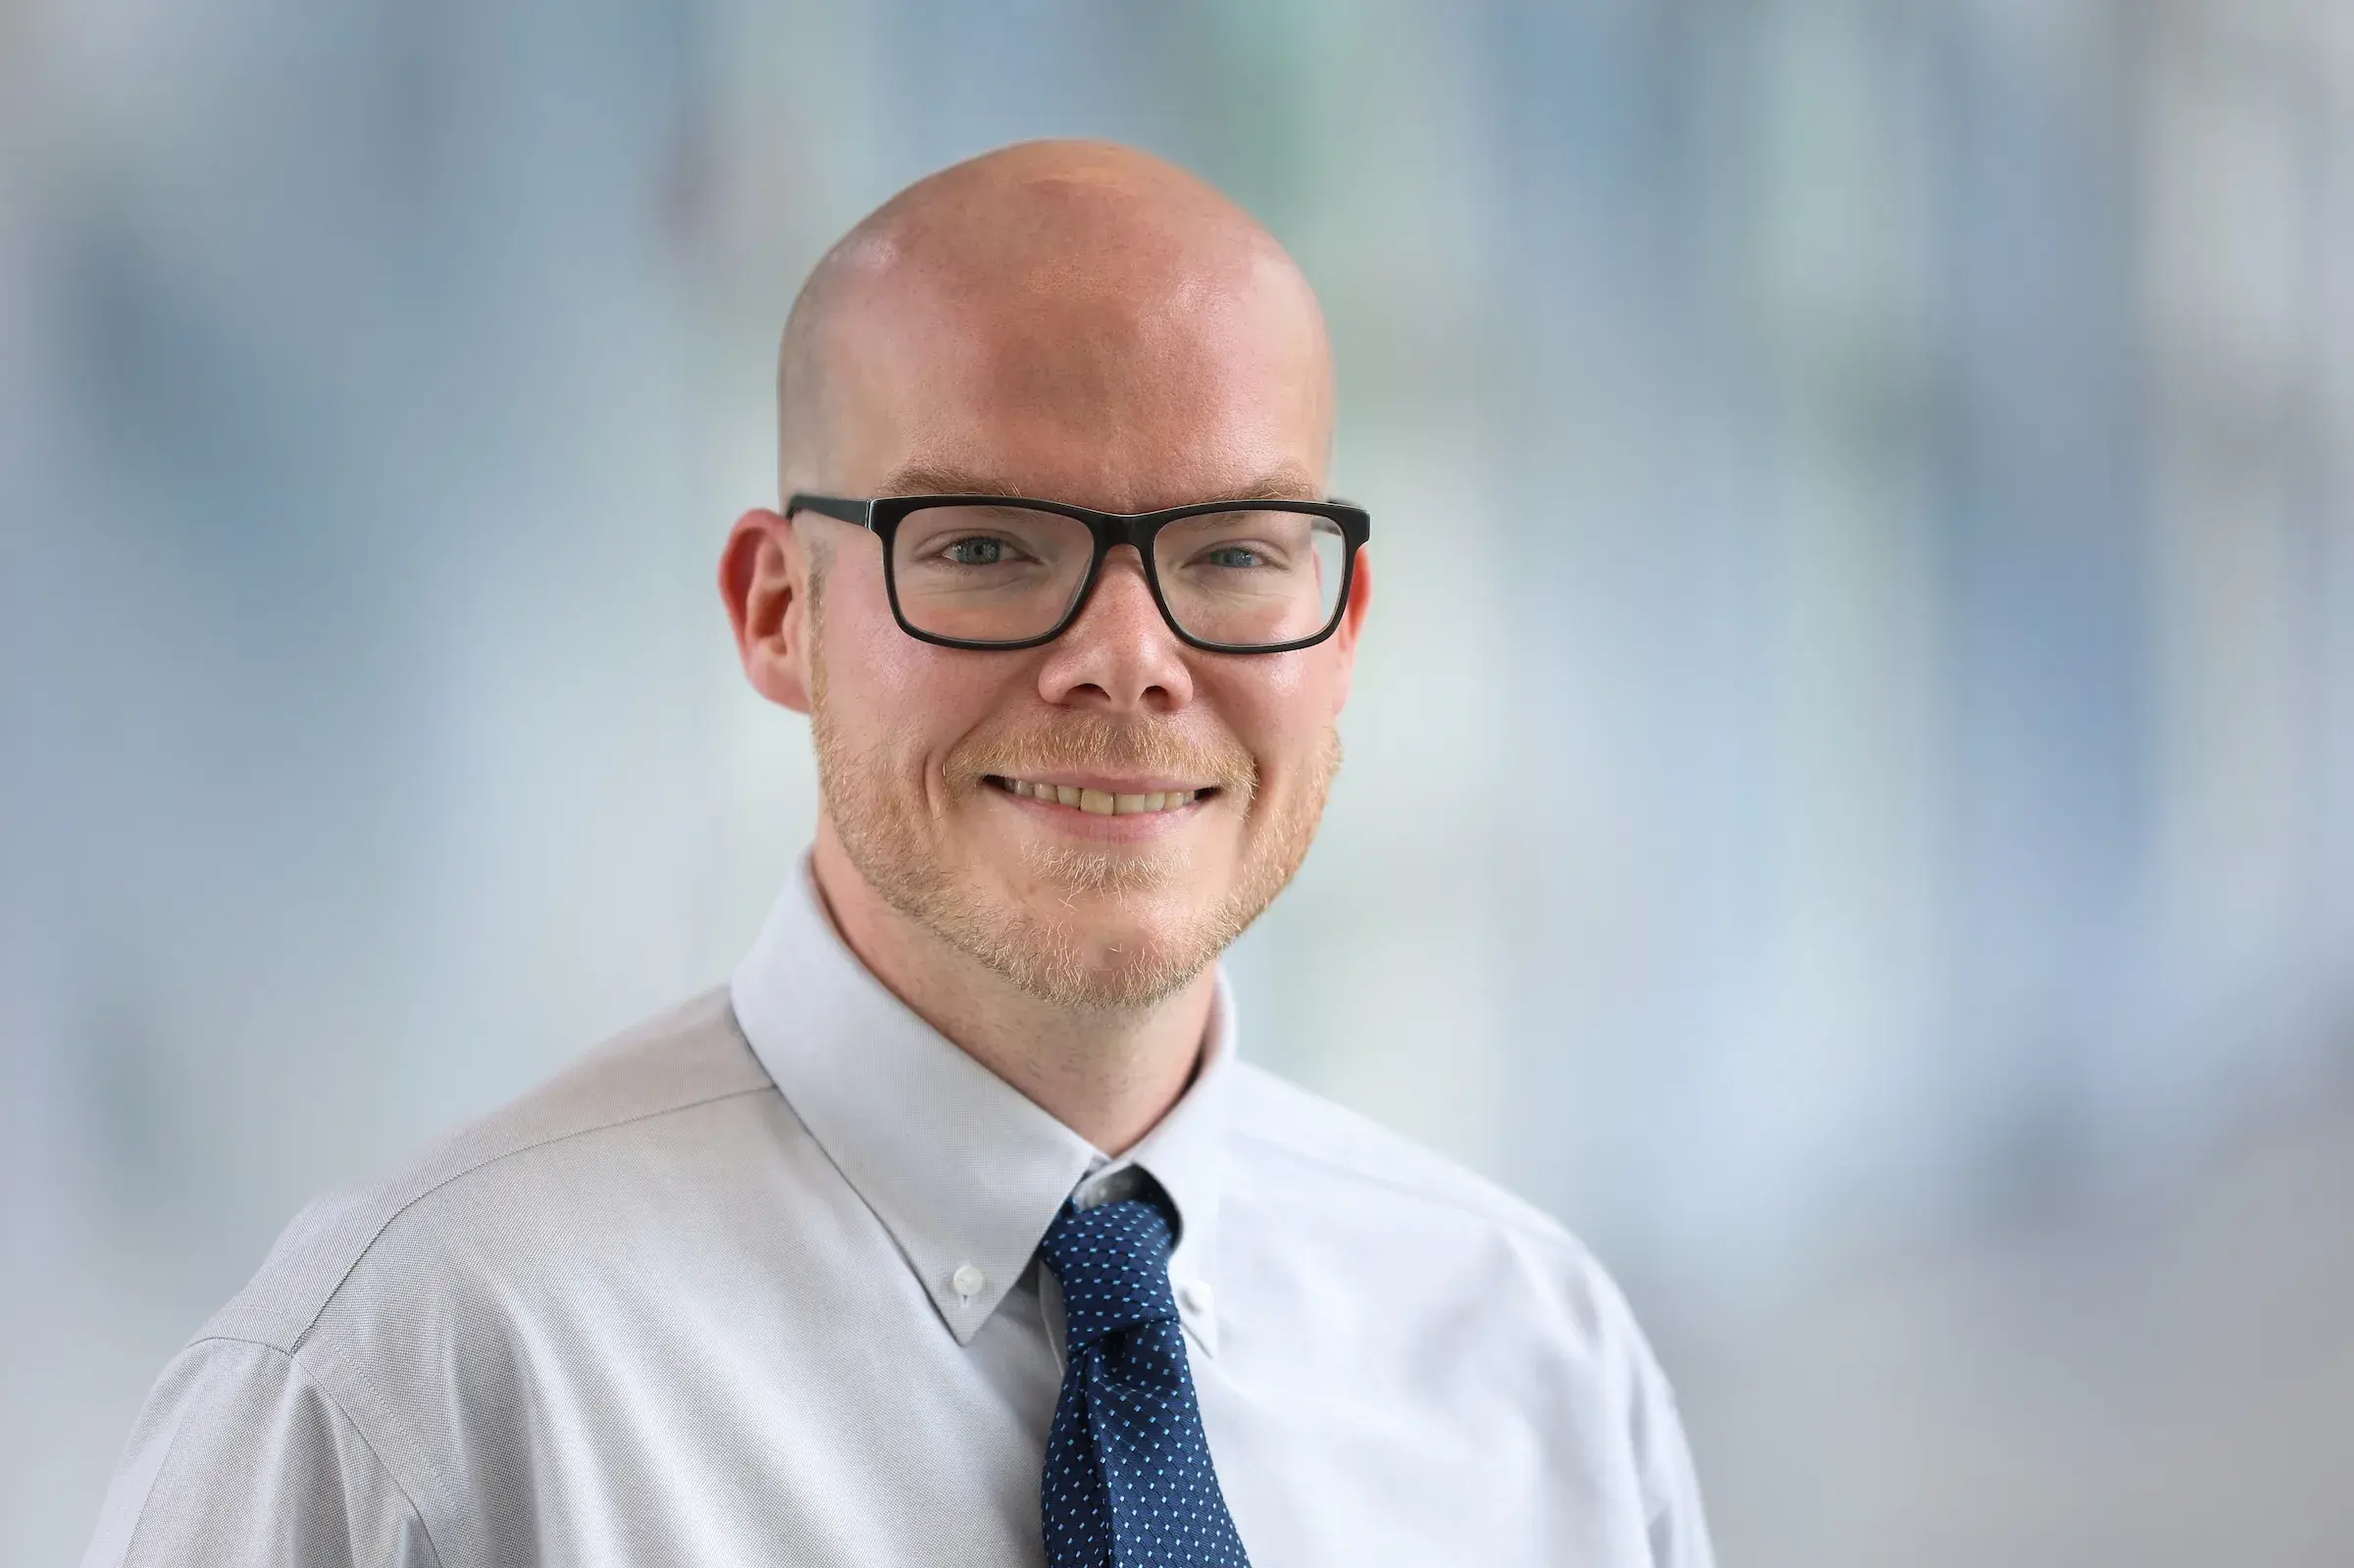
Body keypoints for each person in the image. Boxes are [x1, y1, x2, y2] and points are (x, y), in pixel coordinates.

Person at [80, 139, 1714, 1568]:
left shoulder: (1537, 1360)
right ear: (778, 611)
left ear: (1340, 631)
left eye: (1232, 551)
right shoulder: (413, 1383)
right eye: (990, 546)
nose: (1130, 657)